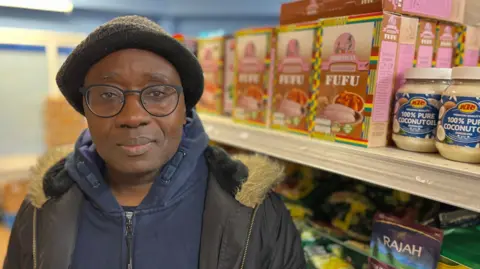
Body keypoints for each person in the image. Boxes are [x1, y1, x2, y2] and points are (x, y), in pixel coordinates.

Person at [3, 16, 305, 269]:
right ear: (85, 110)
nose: (133, 117)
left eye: (158, 93)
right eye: (107, 95)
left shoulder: (256, 215)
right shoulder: (41, 209)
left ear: (184, 107)